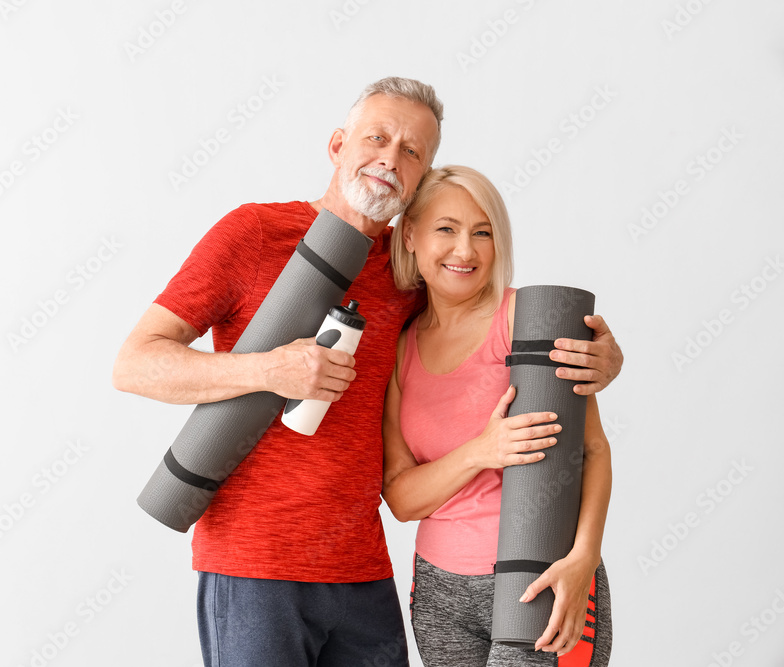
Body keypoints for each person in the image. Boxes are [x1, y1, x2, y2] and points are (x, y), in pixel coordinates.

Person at [113, 79, 622, 666]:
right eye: (378, 137)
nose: (390, 159)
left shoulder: (409, 272)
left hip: (363, 574)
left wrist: (599, 358)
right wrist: (268, 369)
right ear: (337, 145)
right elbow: (135, 364)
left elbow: (479, 326)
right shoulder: (252, 235)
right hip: (255, 566)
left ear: (420, 179)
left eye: (412, 152)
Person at [382, 165, 614, 667]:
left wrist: (583, 560)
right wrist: (480, 451)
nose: (465, 250)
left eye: (483, 232)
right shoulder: (400, 350)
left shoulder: (524, 320)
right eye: (447, 228)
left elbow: (591, 449)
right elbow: (401, 498)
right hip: (440, 594)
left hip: (541, 578)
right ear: (411, 237)